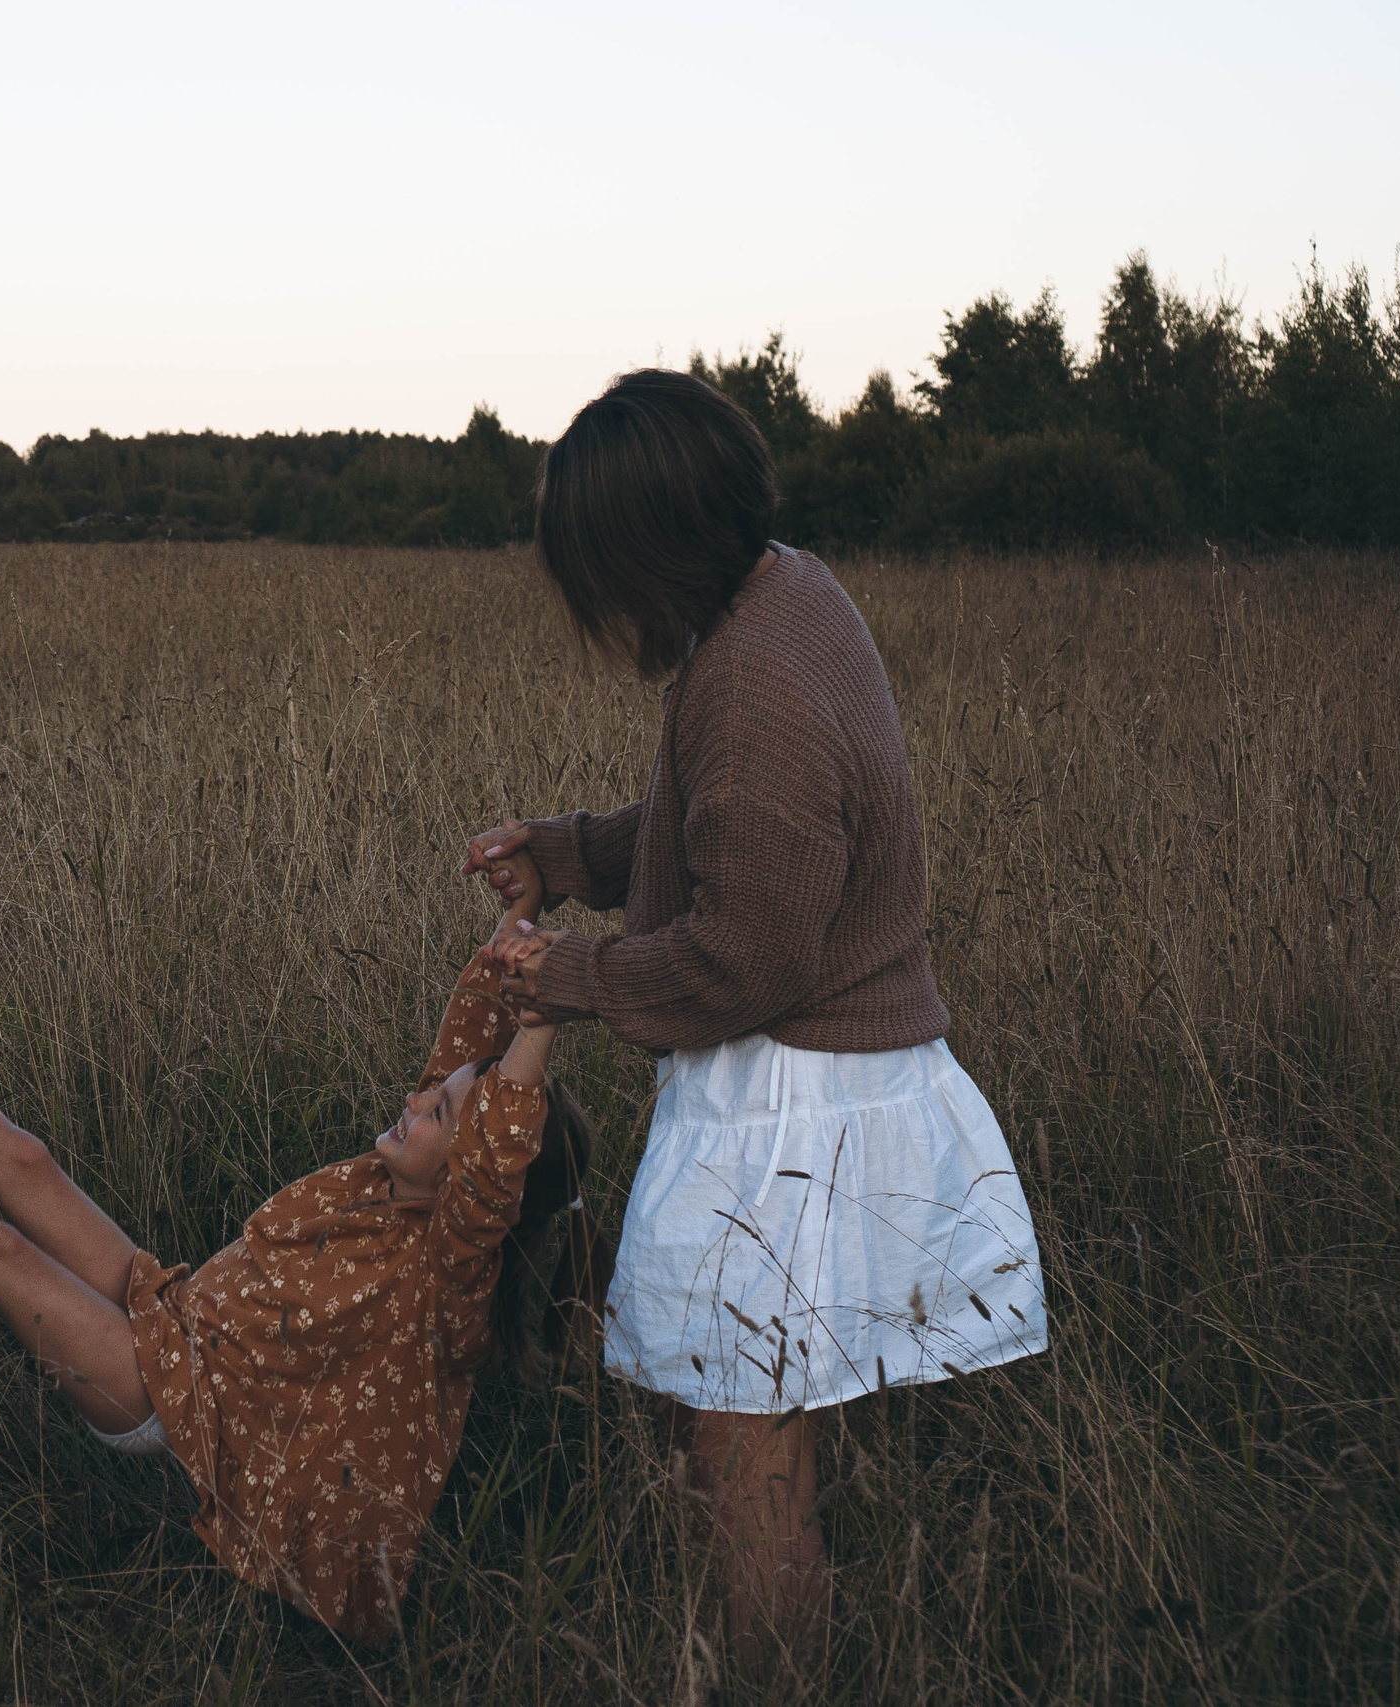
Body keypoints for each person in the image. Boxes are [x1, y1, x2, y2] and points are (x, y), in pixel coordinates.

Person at [463, 369, 1048, 1686]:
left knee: (745, 1461)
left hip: (794, 1109)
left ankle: (778, 1679)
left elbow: (748, 957)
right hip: (813, 1086)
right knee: (738, 1433)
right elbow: (728, 828)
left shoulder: (751, 683)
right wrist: (570, 853)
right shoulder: (786, 592)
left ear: (644, 553)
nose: (594, 610)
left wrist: (570, 976)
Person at [0, 913, 594, 1646]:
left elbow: (496, 1153)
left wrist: (541, 1020)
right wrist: (517, 922)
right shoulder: (391, 1180)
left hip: (178, 1401)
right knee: (25, 1157)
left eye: (439, 1111)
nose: (417, 1097)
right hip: (174, 1313)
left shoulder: (444, 1276)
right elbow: (469, 1052)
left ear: (469, 1175)